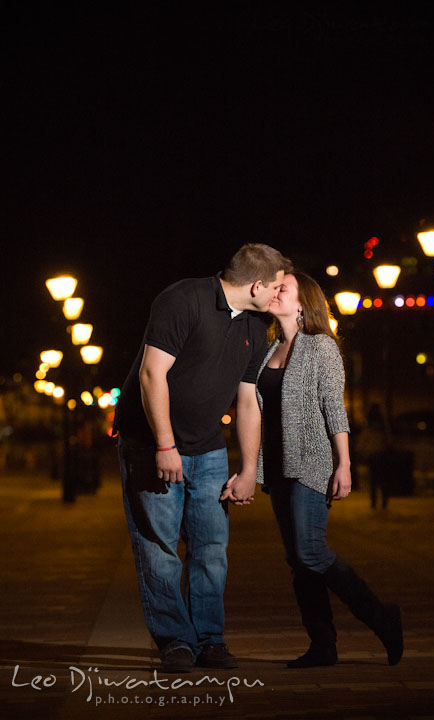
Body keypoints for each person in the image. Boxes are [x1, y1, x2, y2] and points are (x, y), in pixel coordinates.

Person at [113, 243, 291, 674]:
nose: (280, 297)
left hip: (209, 448)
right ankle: (176, 641)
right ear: (257, 284)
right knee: (160, 549)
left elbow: (247, 402)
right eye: (278, 287)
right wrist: (165, 444)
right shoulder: (183, 300)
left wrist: (249, 469)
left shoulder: (254, 327)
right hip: (151, 443)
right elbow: (151, 372)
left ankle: (210, 639)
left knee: (211, 549)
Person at [253, 270, 403, 668]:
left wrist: (345, 464)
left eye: (283, 288)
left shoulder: (321, 347)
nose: (274, 292)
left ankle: (379, 615)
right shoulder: (269, 351)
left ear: (303, 303)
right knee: (297, 561)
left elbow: (334, 408)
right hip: (278, 468)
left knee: (311, 551)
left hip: (312, 464)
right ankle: (322, 645)